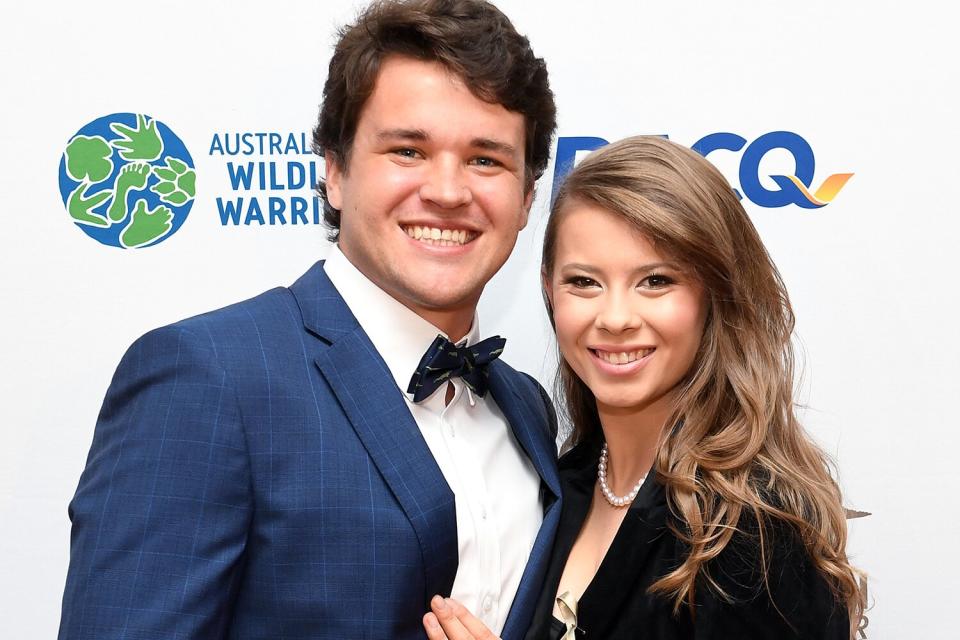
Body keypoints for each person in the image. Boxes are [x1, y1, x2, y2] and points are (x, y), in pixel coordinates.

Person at [57, 1, 560, 639]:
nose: (448, 191)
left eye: (486, 159)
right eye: (408, 150)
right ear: (334, 172)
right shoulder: (209, 379)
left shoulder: (526, 406)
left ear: (526, 197)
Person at [422, 136, 865, 640]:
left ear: (713, 294)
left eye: (655, 281)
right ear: (549, 289)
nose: (615, 318)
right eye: (584, 282)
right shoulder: (563, 483)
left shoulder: (752, 532)